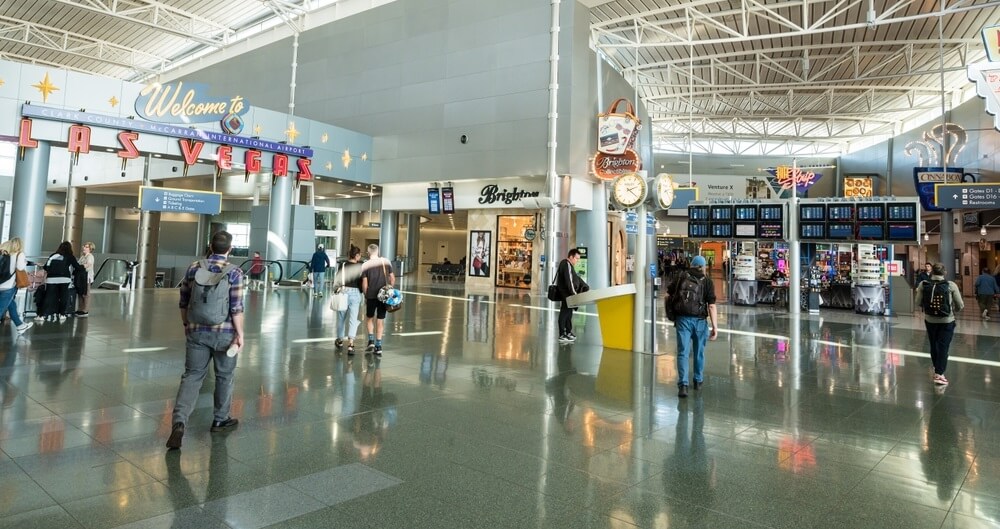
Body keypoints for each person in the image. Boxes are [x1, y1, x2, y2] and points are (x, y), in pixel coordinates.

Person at [167, 231, 244, 449]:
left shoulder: (194, 268)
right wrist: (240, 334)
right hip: (225, 332)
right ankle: (221, 418)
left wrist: (186, 325)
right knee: (224, 376)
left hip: (196, 331)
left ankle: (179, 421)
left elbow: (183, 301)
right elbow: (236, 308)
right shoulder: (235, 272)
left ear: (210, 246)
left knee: (192, 376)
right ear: (229, 248)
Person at [666, 255, 719, 398]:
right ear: (703, 267)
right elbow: (712, 306)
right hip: (700, 321)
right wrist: (715, 327)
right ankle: (698, 381)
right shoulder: (707, 281)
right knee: (698, 352)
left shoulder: (681, 277)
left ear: (692, 264)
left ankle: (683, 385)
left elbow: (669, 293)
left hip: (683, 319)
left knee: (683, 352)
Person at [914, 263, 963, 386]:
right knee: (943, 346)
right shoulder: (951, 285)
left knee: (933, 345)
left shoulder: (923, 284)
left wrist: (928, 307)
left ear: (932, 272)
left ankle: (937, 369)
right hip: (947, 321)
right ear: (944, 272)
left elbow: (917, 302)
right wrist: (953, 311)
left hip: (930, 320)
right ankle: (939, 374)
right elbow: (960, 305)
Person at [360, 244, 395, 355]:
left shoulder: (365, 265)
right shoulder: (386, 262)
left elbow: (365, 284)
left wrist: (365, 295)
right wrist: (389, 289)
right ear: (378, 251)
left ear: (368, 252)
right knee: (380, 319)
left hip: (371, 295)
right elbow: (392, 278)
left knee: (369, 317)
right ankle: (378, 345)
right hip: (383, 296)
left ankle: (371, 340)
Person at [334, 245, 364, 355]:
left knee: (341, 318)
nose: (360, 257)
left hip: (343, 292)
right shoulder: (361, 266)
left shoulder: (342, 265)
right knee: (353, 319)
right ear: (356, 255)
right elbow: (363, 281)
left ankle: (340, 340)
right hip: (356, 293)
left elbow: (338, 279)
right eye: (359, 255)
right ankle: (351, 344)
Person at [40, 241, 80, 322]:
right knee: (64, 297)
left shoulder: (53, 256)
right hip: (64, 279)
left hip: (51, 279)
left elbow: (46, 268)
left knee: (48, 297)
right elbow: (77, 266)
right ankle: (62, 314)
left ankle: (42, 315)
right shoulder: (70, 256)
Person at [0, 237, 32, 335]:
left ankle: (20, 325)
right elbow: (20, 267)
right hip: (9, 286)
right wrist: (25, 263)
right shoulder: (19, 254)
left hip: (1, 284)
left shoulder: (4, 253)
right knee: (1, 308)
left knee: (12, 305)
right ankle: (20, 325)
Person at [555, 248, 588, 343]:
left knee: (569, 313)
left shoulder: (569, 265)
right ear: (571, 257)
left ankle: (568, 332)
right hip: (567, 294)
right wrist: (574, 294)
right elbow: (569, 281)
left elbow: (575, 277)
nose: (577, 261)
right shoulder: (566, 264)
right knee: (564, 313)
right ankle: (562, 334)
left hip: (568, 294)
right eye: (576, 258)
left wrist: (584, 285)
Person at [76, 242, 95, 317]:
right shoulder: (83, 256)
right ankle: (80, 308)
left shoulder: (90, 256)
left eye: (86, 247)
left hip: (87, 277)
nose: (84, 248)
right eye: (84, 246)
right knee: (80, 293)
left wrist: (81, 266)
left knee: (86, 294)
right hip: (81, 277)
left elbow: (88, 265)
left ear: (90, 249)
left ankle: (85, 310)